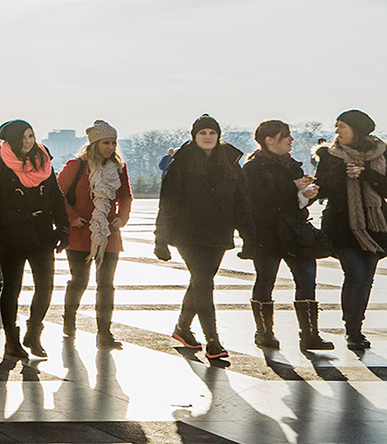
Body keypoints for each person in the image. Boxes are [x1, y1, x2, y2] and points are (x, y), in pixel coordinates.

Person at [156, 113, 242, 364]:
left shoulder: (230, 162)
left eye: (212, 133)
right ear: (194, 136)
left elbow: (241, 199)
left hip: (218, 232)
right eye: (202, 133)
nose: (207, 137)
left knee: (199, 282)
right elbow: (168, 203)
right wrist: (160, 240)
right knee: (204, 282)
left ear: (218, 136)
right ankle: (213, 340)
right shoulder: (182, 163)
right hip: (188, 234)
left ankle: (182, 328)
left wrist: (248, 233)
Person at [240, 118, 331, 353]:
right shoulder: (252, 168)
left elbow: (296, 204)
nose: (291, 139)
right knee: (265, 280)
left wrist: (306, 194)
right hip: (266, 233)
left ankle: (310, 335)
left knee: (307, 280)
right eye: (285, 136)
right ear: (269, 140)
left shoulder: (293, 165)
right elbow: (254, 202)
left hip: (295, 231)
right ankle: (264, 333)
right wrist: (293, 188)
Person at [0, 119, 67, 359]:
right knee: (12, 288)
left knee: (46, 286)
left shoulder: (42, 158)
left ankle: (34, 332)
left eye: (31, 136)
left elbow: (56, 195)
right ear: (12, 141)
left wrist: (63, 227)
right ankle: (11, 340)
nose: (28, 142)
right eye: (23, 138)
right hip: (11, 232)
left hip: (41, 231)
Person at [55, 120, 133, 349]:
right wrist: (71, 217)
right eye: (106, 143)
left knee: (107, 284)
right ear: (94, 144)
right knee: (80, 281)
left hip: (108, 233)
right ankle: (69, 319)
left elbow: (125, 195)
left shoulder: (119, 167)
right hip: (81, 233)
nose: (110, 147)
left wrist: (122, 216)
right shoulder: (75, 166)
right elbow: (57, 195)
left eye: (113, 142)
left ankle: (104, 332)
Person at [315, 109, 386, 352]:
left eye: (341, 126)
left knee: (366, 279)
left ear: (356, 129)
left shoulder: (382, 153)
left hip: (375, 227)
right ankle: (352, 331)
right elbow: (321, 189)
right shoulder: (330, 155)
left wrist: (367, 174)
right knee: (355, 274)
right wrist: (340, 173)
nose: (336, 132)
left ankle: (357, 327)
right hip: (342, 226)